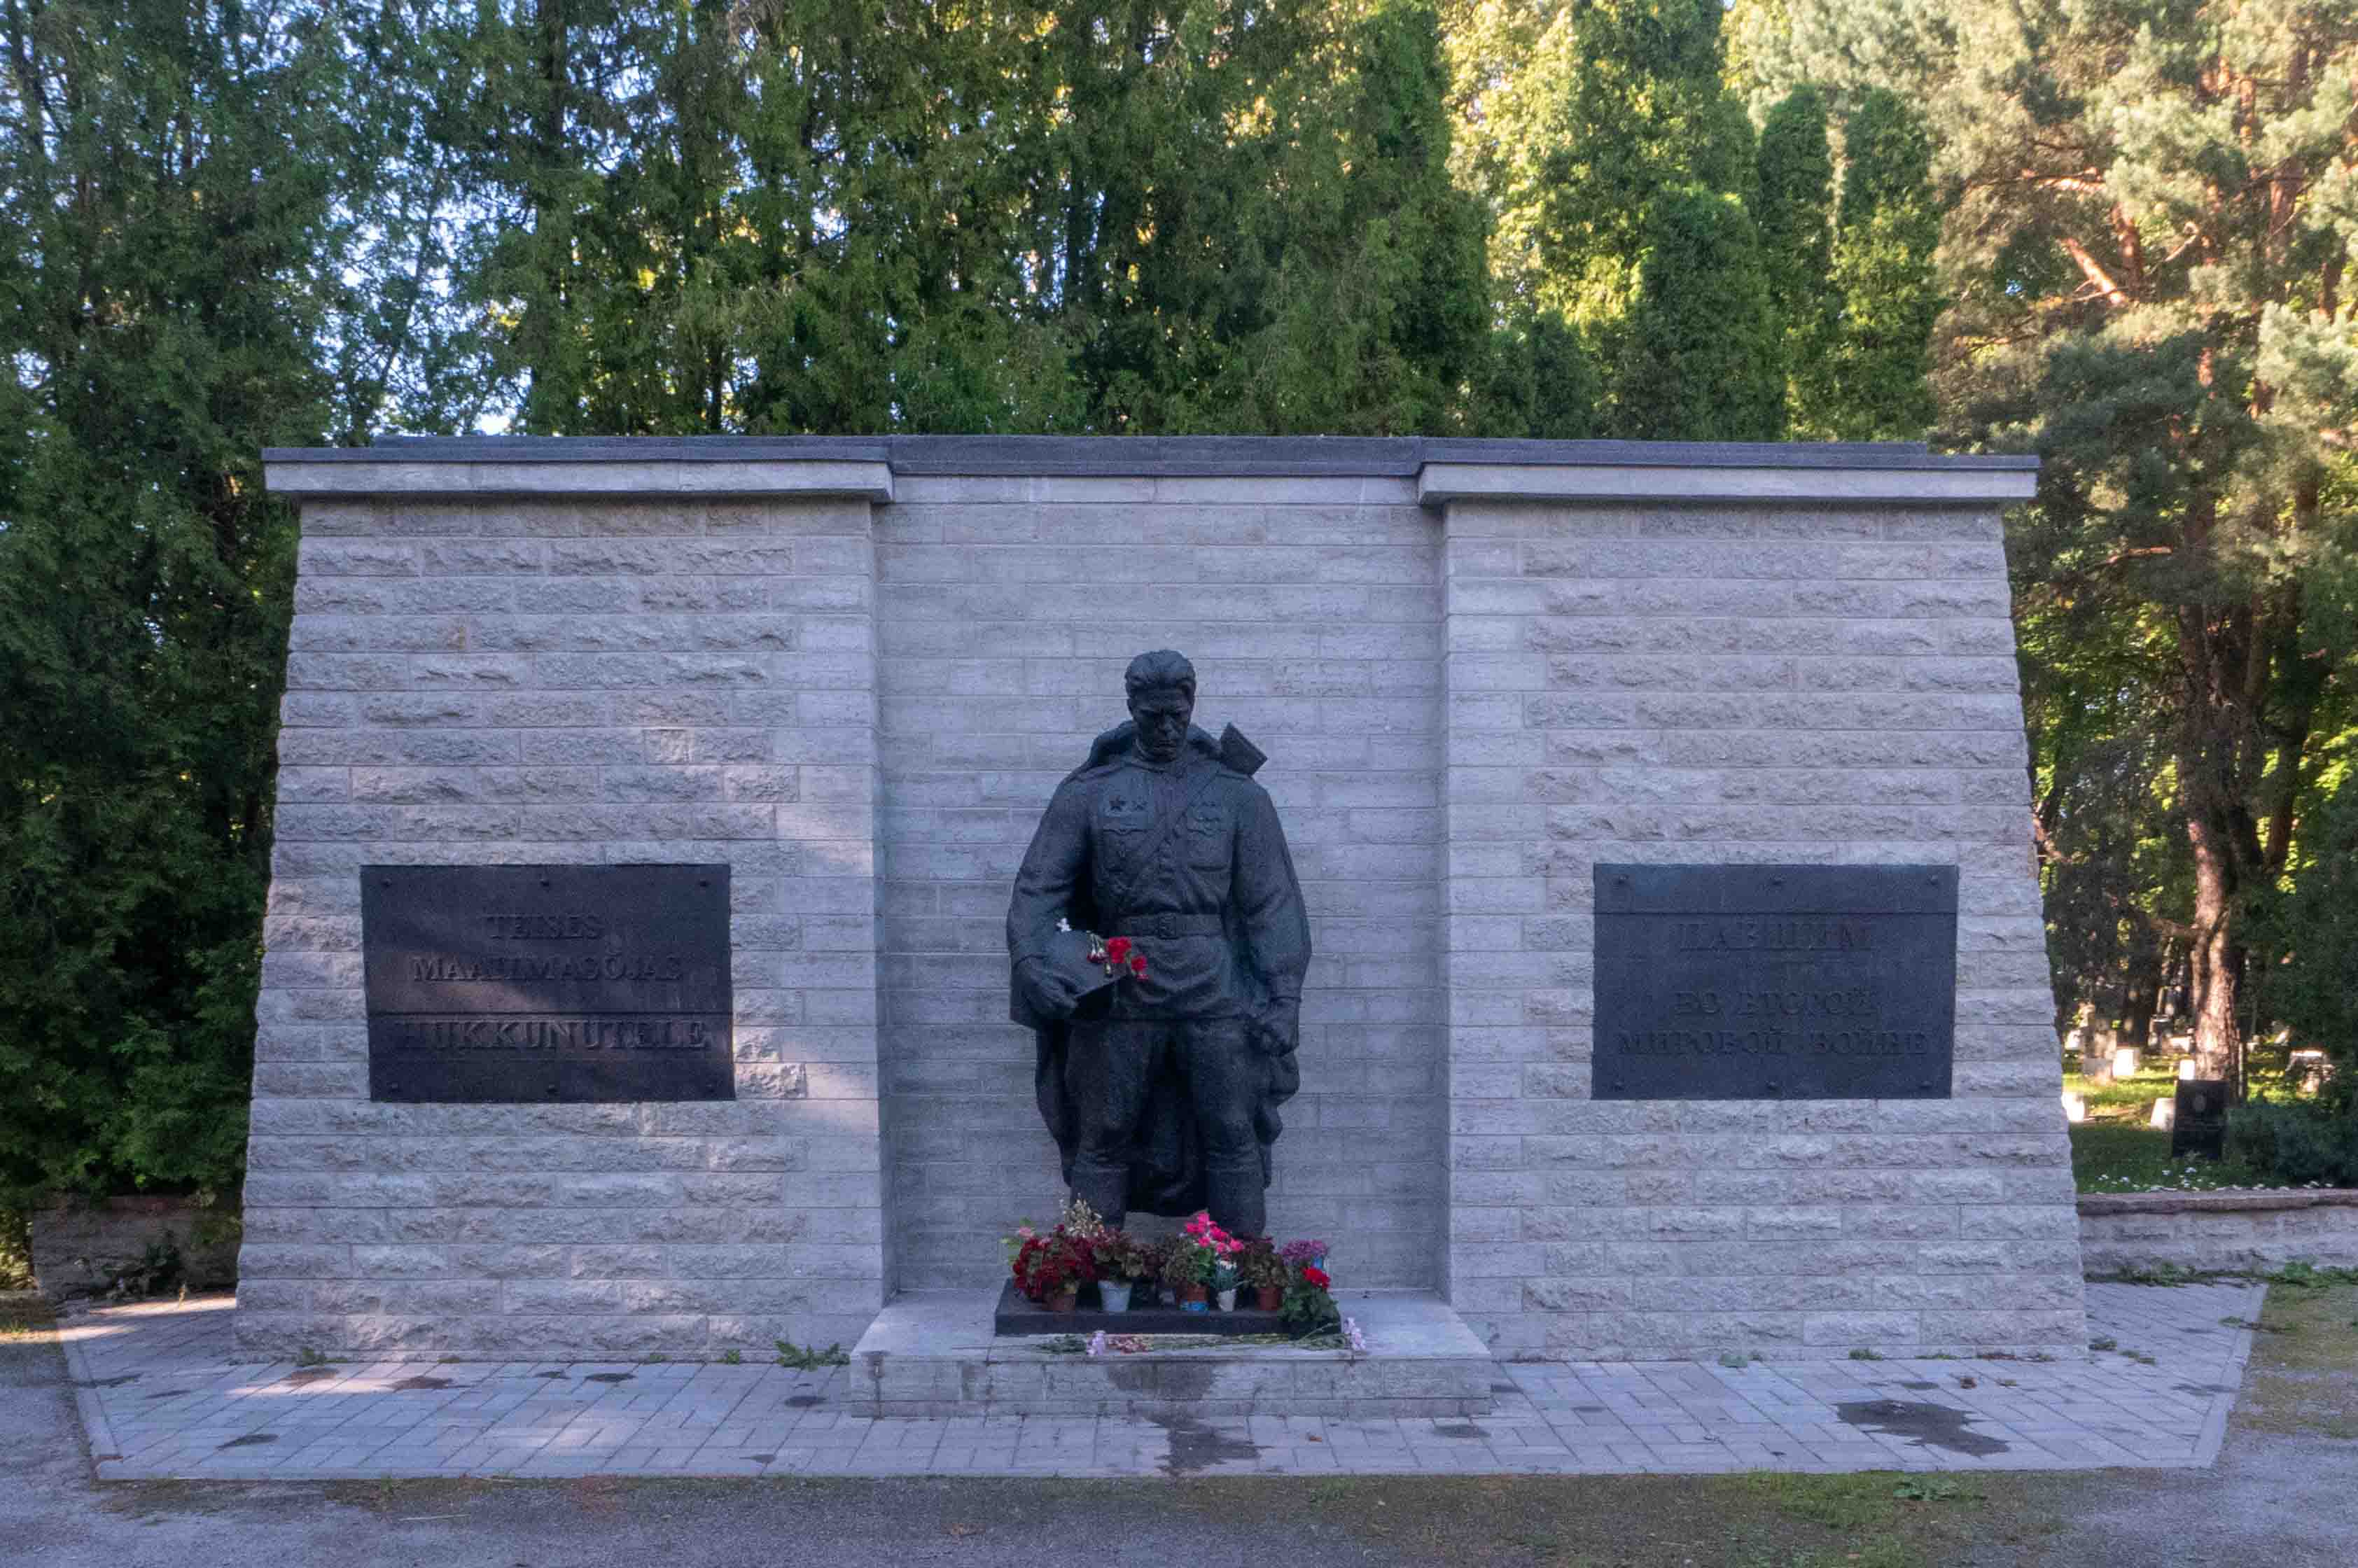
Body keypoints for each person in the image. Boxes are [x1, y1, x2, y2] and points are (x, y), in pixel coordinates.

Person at [1007, 650, 1311, 1236]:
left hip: (1212, 979)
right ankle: (1086, 1273)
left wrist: (1285, 997)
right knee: (1104, 1133)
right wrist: (1033, 961)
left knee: (1230, 1131)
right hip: (1119, 974)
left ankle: (1241, 1273)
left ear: (1192, 703)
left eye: (1177, 714)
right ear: (1132, 709)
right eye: (1153, 717)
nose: (1168, 728)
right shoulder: (1090, 793)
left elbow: (1273, 903)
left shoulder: (1237, 796)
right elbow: (1038, 890)